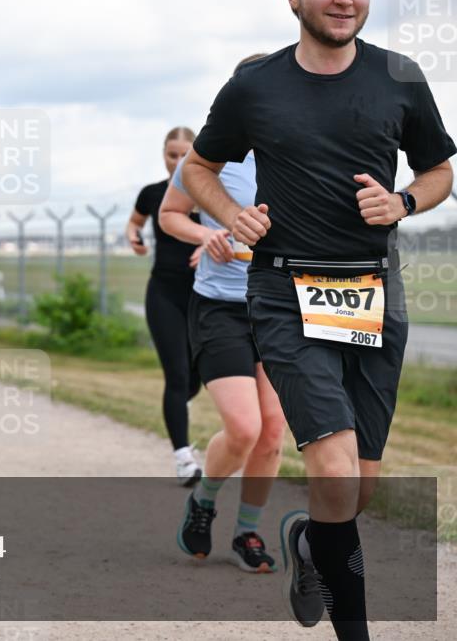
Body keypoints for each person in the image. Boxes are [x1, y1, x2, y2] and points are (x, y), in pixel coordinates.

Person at [182, 0, 455, 637]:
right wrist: (232, 216)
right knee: (330, 462)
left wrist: (405, 202)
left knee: (353, 493)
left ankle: (310, 539)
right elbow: (199, 168)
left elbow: (440, 169)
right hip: (283, 291)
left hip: (372, 291)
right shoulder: (256, 86)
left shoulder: (400, 76)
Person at [161, 54, 286, 574]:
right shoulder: (209, 157)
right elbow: (170, 216)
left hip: (280, 309)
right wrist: (206, 232)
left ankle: (248, 532)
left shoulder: (300, 155)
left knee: (274, 431)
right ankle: (205, 499)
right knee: (242, 427)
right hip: (222, 309)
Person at [125, 127, 203, 486]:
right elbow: (135, 222)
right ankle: (183, 458)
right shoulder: (153, 194)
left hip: (205, 298)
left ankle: (178, 410)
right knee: (177, 375)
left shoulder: (211, 193)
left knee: (194, 381)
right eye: (172, 154)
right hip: (164, 294)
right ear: (163, 155)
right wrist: (134, 238)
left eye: (184, 153)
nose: (177, 160)